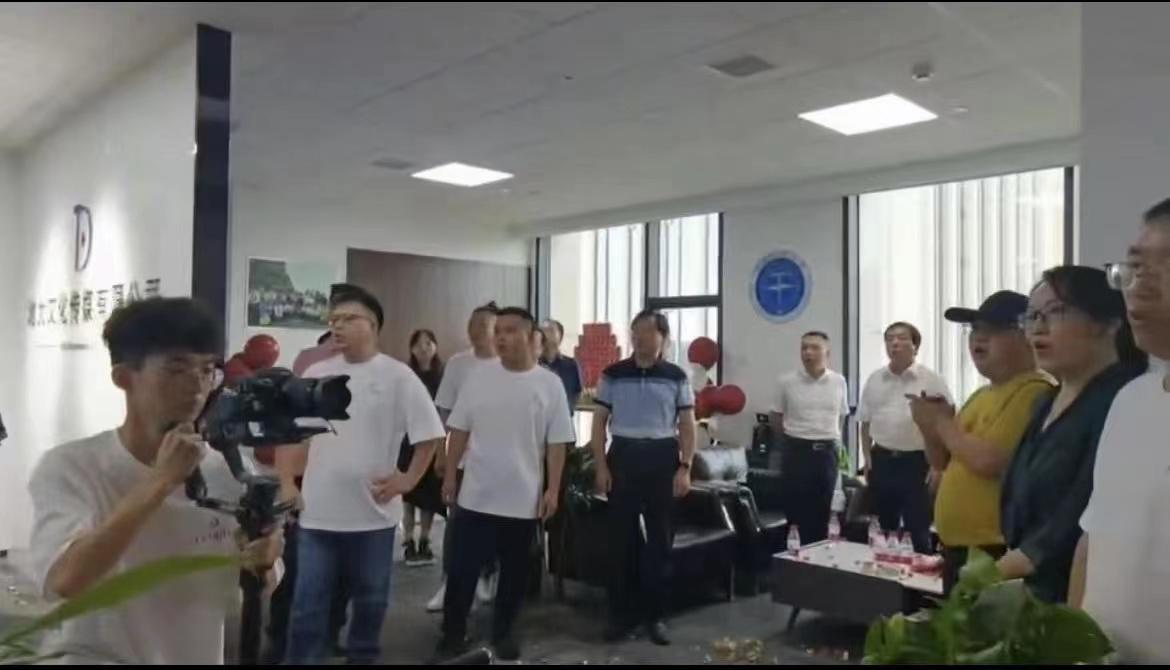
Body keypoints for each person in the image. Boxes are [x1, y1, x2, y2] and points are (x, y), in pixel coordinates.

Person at [27, 297, 283, 664]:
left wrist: (265, 558)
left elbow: (261, 583)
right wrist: (160, 481)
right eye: (176, 369)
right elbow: (66, 581)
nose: (197, 385)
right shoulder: (73, 466)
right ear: (123, 377)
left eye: (207, 370)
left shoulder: (229, 468)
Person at [285, 286, 446, 664]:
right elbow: (294, 437)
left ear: (372, 325)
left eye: (347, 319)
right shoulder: (317, 373)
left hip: (373, 517)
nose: (337, 327)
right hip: (318, 515)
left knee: (371, 604)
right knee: (307, 607)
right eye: (333, 320)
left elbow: (430, 435)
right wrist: (285, 482)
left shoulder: (398, 376)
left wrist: (407, 480)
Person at [435, 307, 573, 662]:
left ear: (531, 337)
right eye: (498, 330)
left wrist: (552, 490)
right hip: (475, 496)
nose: (500, 337)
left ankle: (504, 633)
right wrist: (449, 474)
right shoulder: (478, 378)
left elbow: (557, 443)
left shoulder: (549, 384)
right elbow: (459, 429)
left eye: (510, 330)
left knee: (514, 575)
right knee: (462, 572)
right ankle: (452, 635)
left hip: (522, 499)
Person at [999, 266, 1144, 604]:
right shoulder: (1045, 400)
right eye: (1032, 316)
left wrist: (1015, 562)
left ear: (1107, 322)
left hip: (1086, 594)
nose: (1038, 327)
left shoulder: (1125, 398)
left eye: (1056, 312)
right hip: (1031, 589)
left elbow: (1085, 505)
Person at [1069, 198, 1170, 663]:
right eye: (1134, 267)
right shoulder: (1131, 400)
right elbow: (1094, 539)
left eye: (1167, 266)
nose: (1139, 287)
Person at [909, 291, 1054, 594]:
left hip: (996, 551)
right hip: (960, 550)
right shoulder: (981, 394)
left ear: (1026, 334)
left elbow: (990, 461)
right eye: (974, 330)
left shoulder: (1035, 390)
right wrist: (928, 426)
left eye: (993, 330)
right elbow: (941, 462)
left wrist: (942, 423)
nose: (978, 338)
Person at [592, 310, 697, 646]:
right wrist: (601, 467)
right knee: (619, 542)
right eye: (635, 332)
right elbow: (599, 423)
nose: (640, 338)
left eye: (648, 332)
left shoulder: (676, 376)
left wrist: (685, 466)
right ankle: (619, 616)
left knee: (660, 541)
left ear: (663, 338)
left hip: (662, 457)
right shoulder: (613, 374)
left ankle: (656, 617)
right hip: (623, 456)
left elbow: (687, 425)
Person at [264, 329, 349, 664]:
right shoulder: (299, 400)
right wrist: (289, 486)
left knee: (342, 577)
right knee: (296, 574)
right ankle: (279, 641)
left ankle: (328, 636)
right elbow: (284, 453)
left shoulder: (354, 399)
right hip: (306, 500)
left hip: (348, 503)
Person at [427, 302, 501, 612]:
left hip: (498, 461)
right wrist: (440, 453)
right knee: (457, 522)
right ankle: (450, 583)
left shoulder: (509, 365)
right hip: (461, 458)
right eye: (472, 324)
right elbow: (443, 412)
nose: (475, 330)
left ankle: (485, 575)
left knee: (492, 523)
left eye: (483, 324)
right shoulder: (458, 364)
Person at [859, 322, 952, 554]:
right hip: (882, 459)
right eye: (889, 338)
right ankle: (884, 573)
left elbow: (947, 421)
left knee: (917, 528)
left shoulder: (931, 379)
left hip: (917, 462)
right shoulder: (875, 379)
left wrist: (938, 466)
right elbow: (865, 421)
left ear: (915, 346)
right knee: (883, 528)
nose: (894, 343)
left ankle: (919, 573)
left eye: (901, 338)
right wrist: (867, 457)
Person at [770, 331, 850, 545]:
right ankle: (793, 556)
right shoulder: (787, 382)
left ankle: (817, 557)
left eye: (814, 348)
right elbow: (776, 417)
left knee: (823, 512)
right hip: (797, 451)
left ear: (827, 353)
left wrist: (832, 438)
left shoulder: (838, 381)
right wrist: (791, 441)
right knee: (795, 511)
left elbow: (841, 416)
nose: (808, 352)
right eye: (804, 348)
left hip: (827, 453)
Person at [401, 329, 445, 567]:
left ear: (435, 346)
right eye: (418, 344)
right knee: (409, 495)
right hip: (408, 441)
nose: (424, 348)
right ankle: (408, 540)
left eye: (429, 343)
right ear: (412, 349)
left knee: (429, 496)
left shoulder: (443, 375)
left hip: (434, 440)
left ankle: (425, 540)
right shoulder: (406, 375)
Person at [540, 320, 584, 416]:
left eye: (550, 330)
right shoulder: (532, 364)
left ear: (560, 337)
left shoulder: (571, 365)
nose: (545, 334)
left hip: (564, 418)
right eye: (542, 330)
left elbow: (577, 392)